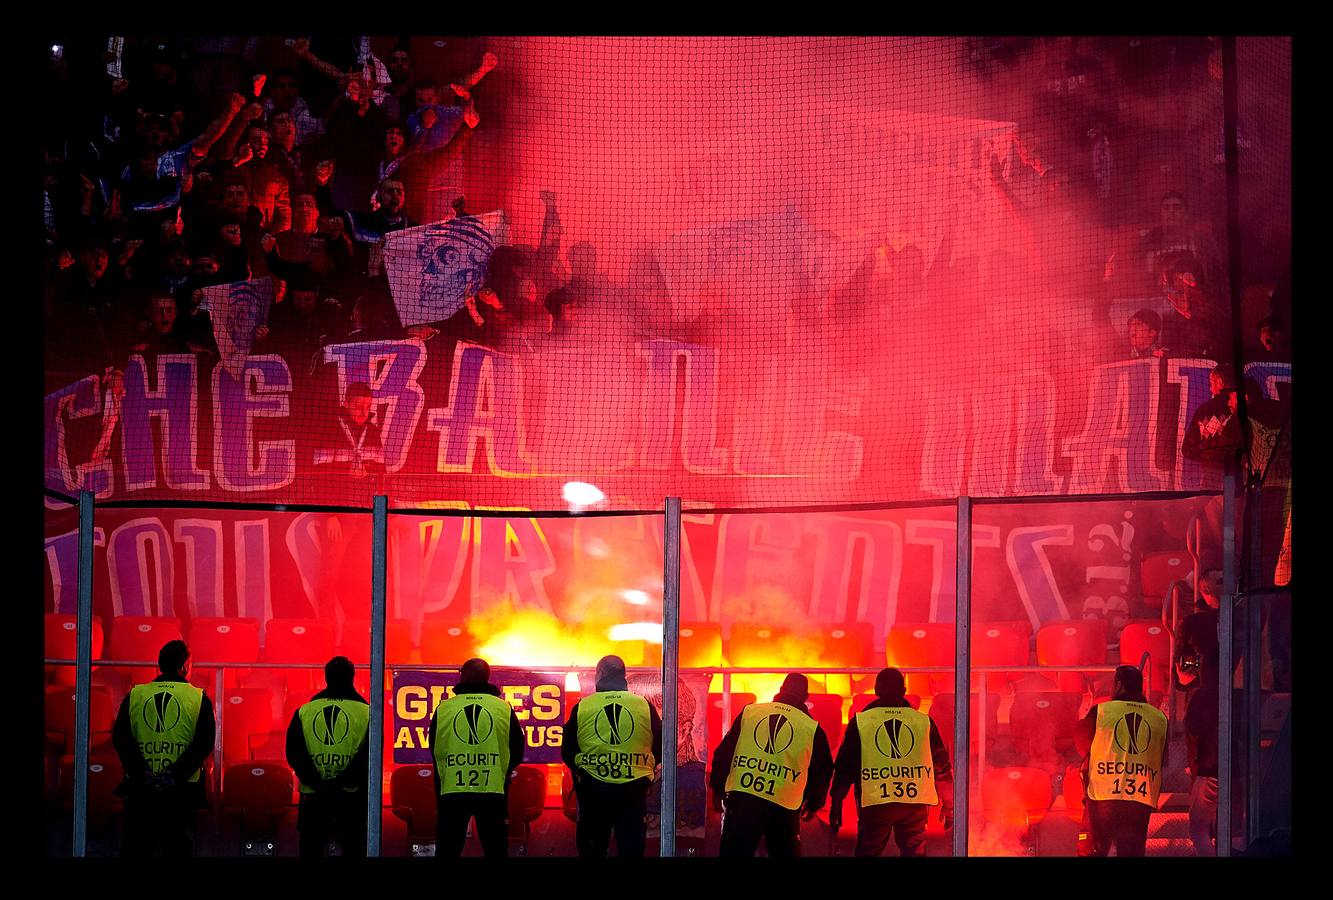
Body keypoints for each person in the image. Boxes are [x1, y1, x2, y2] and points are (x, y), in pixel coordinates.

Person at [827, 667, 954, 857]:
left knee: (868, 853)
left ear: (876, 691)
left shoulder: (861, 722)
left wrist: (836, 803)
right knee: (914, 853)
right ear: (904, 691)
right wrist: (949, 804)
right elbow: (941, 767)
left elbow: (845, 768)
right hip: (914, 802)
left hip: (875, 803)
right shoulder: (923, 722)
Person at [709, 672, 834, 858]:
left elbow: (725, 752)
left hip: (744, 799)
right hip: (783, 806)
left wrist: (717, 788)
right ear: (805, 697)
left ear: (781, 690)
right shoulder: (812, 729)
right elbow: (822, 771)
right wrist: (814, 803)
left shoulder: (750, 713)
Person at [111, 639, 216, 857]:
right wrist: (174, 775)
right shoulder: (198, 698)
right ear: (185, 666)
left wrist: (142, 773)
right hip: (181, 793)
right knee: (177, 850)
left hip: (141, 791)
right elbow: (204, 743)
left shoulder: (135, 694)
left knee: (136, 850)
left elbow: (121, 738)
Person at [561, 654, 662, 858]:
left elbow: (568, 750)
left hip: (593, 792)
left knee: (593, 850)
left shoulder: (583, 706)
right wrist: (644, 773)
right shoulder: (644, 706)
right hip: (633, 790)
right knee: (631, 850)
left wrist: (583, 772)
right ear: (624, 676)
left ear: (599, 674)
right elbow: (660, 746)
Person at [430, 657, 526, 858]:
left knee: (447, 850)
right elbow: (517, 749)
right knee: (496, 850)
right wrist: (501, 770)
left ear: (464, 677)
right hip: (493, 790)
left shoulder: (444, 708)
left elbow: (435, 748)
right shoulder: (503, 708)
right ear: (486, 677)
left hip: (452, 790)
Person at [1073, 664, 1169, 857]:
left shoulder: (1101, 711)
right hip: (1139, 798)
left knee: (1091, 851)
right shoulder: (1159, 718)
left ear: (1118, 685)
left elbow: (1081, 744)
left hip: (1103, 798)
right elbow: (1163, 757)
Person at [285, 655, 370, 858]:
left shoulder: (305, 711)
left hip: (313, 796)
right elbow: (369, 755)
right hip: (351, 797)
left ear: (325, 678)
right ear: (353, 678)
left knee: (311, 850)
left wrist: (317, 782)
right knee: (353, 848)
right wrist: (342, 782)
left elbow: (294, 752)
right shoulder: (367, 712)